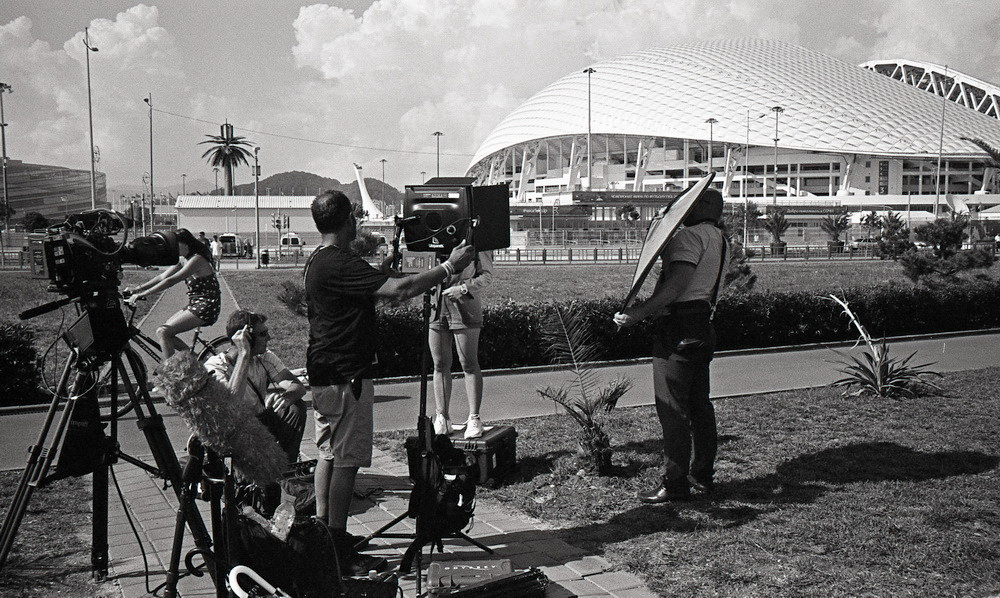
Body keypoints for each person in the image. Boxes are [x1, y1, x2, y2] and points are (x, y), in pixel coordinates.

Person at [304, 189, 474, 568]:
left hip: (326, 373)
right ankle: (335, 545)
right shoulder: (339, 263)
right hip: (347, 376)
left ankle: (322, 532)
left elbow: (375, 290)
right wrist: (449, 267)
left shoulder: (321, 260)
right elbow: (400, 290)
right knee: (346, 461)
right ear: (348, 220)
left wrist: (384, 268)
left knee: (329, 454)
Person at [614, 188, 729, 502]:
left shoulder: (689, 238)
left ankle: (675, 482)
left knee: (673, 411)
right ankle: (702, 475)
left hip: (679, 328)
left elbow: (677, 286)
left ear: (701, 206)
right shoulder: (720, 239)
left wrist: (637, 314)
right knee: (700, 406)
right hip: (703, 323)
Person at [203, 310, 307, 465]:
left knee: (296, 407)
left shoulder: (264, 357)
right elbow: (231, 404)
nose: (269, 338)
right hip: (233, 429)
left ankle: (286, 468)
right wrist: (244, 354)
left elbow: (298, 387)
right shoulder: (215, 366)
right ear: (247, 338)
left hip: (259, 421)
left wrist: (286, 398)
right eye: (263, 334)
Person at [125, 229, 221, 361]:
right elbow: (162, 276)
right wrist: (136, 289)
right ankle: (195, 360)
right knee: (163, 332)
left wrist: (144, 293)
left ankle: (170, 373)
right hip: (196, 303)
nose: (173, 247)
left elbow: (172, 280)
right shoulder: (183, 260)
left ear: (186, 244)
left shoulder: (197, 259)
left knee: (164, 332)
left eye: (176, 244)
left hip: (207, 305)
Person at [430, 251, 494, 439]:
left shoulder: (476, 241)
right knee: (440, 364)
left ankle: (474, 418)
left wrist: (464, 288)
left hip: (465, 306)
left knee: (469, 363)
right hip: (436, 306)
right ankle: (442, 416)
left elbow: (487, 275)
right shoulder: (431, 237)